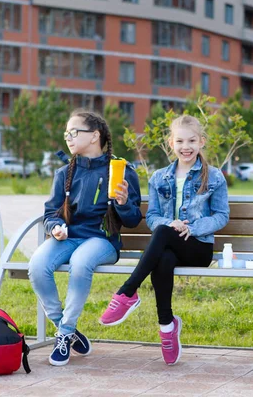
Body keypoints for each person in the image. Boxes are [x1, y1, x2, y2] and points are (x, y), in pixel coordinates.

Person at [99, 115, 230, 366]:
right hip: (169, 245)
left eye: (192, 140)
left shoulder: (213, 177)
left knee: (162, 235)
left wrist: (194, 228)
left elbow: (221, 215)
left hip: (198, 247)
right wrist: (169, 224)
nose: (186, 146)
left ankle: (127, 292)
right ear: (171, 143)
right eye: (180, 141)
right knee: (164, 253)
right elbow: (153, 217)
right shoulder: (159, 177)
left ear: (201, 141)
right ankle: (167, 327)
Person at [28, 109, 143, 366]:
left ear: (94, 136)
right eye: (66, 133)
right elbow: (51, 212)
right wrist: (56, 226)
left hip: (102, 241)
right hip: (68, 238)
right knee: (37, 265)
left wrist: (123, 203)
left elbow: (134, 220)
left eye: (73, 132)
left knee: (80, 263)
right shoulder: (64, 173)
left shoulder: (121, 170)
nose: (68, 137)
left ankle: (64, 333)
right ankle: (66, 329)